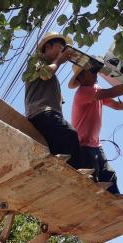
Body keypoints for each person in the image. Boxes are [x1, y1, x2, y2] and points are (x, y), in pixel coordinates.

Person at [69, 63, 123, 194]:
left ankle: (117, 205)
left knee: (110, 176)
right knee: (91, 179)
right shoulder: (83, 92)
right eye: (91, 71)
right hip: (83, 146)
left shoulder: (95, 89)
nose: (95, 74)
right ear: (81, 77)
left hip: (95, 145)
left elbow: (116, 105)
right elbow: (112, 93)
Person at [25, 32, 90, 170]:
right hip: (41, 113)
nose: (63, 51)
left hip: (49, 116)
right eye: (60, 47)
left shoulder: (53, 77)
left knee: (61, 149)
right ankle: (77, 173)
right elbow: (45, 74)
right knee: (70, 134)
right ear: (48, 46)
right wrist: (59, 60)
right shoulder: (36, 61)